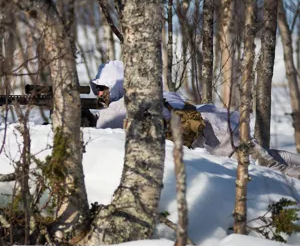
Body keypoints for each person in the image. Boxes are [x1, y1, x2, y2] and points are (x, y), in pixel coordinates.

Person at [90, 61, 300, 179]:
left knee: (271, 170)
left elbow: (101, 130)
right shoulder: (157, 93)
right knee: (268, 156)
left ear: (116, 85)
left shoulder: (122, 106)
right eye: (97, 89)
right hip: (221, 123)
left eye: (103, 89)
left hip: (213, 139)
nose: (99, 94)